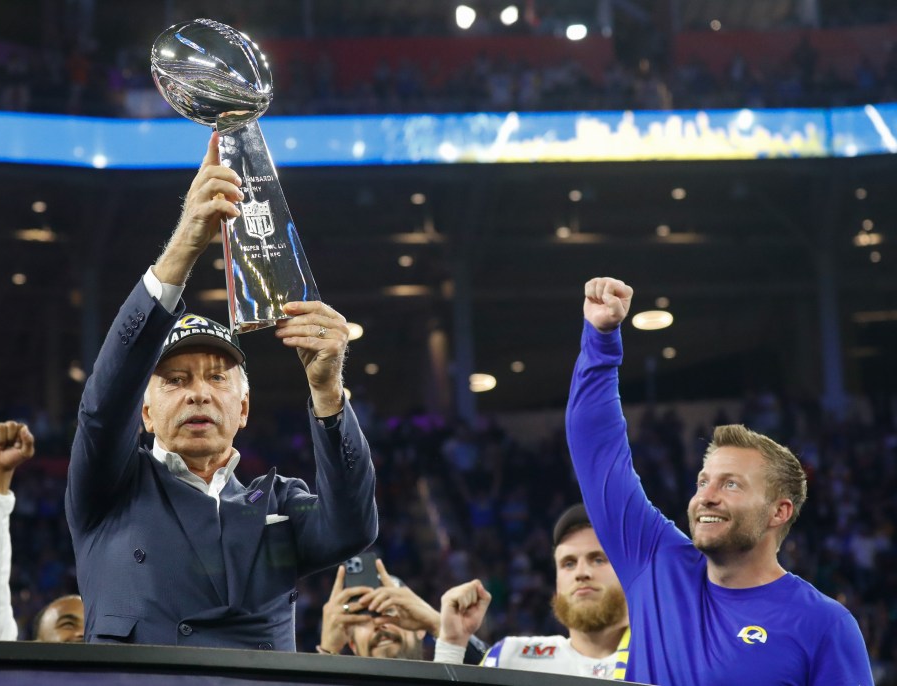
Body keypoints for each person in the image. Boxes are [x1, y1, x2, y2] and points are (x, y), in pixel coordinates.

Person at [65, 132, 378, 649]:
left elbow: (351, 527)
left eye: (216, 377)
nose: (198, 394)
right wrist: (188, 239)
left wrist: (327, 391)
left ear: (244, 407)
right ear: (144, 412)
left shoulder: (278, 504)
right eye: (175, 380)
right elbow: (103, 406)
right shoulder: (111, 487)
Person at [566, 276, 874, 685]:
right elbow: (596, 451)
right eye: (702, 481)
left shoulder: (824, 625)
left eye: (731, 484)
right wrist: (601, 340)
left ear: (778, 511)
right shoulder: (654, 561)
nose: (705, 497)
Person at [433, 505, 630, 679]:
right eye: (568, 563)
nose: (581, 573)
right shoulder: (510, 659)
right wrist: (452, 644)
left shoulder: (656, 661)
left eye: (598, 559)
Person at [0, 421, 84, 642]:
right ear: (36, 646)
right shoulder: (13, 677)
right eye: (67, 623)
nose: (83, 633)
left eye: (92, 628)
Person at [318, 557, 487, 663]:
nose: (379, 624)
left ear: (421, 627)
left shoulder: (450, 669)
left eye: (389, 610)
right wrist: (327, 654)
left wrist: (441, 627)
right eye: (364, 616)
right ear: (352, 644)